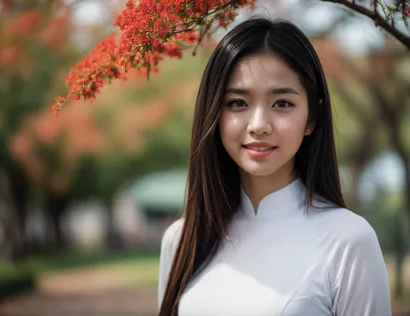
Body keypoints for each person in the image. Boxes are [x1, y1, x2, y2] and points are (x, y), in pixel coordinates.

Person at [157, 17, 392, 316]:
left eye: (282, 103)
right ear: (214, 114)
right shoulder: (181, 240)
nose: (259, 125)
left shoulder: (348, 241)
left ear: (312, 118)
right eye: (237, 103)